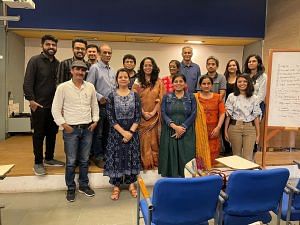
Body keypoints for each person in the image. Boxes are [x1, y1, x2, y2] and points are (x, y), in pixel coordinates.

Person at [51, 60, 99, 202]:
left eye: (82, 70)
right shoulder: (63, 87)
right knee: (71, 161)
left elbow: (94, 106)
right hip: (70, 129)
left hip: (87, 129)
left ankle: (83, 185)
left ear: (85, 72)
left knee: (84, 160)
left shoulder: (90, 87)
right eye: (77, 69)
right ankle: (70, 188)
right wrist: (64, 125)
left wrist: (95, 120)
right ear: (71, 71)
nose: (80, 72)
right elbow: (55, 109)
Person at [23, 34, 64, 176]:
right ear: (42, 46)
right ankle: (38, 162)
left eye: (53, 45)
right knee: (39, 135)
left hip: (54, 107)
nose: (51, 47)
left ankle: (49, 158)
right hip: (39, 106)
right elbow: (28, 82)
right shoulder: (34, 61)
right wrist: (31, 100)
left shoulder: (58, 64)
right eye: (48, 45)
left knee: (52, 133)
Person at [104, 68, 141, 200]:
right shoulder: (111, 95)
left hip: (132, 133)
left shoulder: (135, 95)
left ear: (129, 79)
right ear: (117, 79)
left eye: (126, 77)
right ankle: (116, 186)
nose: (123, 79)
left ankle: (131, 185)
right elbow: (110, 117)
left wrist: (130, 132)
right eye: (121, 77)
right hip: (116, 133)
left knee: (131, 157)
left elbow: (138, 116)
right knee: (116, 158)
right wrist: (123, 133)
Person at [159, 74, 196, 177]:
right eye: (176, 81)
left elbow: (193, 113)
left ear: (185, 84)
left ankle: (187, 182)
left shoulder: (191, 97)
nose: (178, 83)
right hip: (169, 130)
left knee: (187, 155)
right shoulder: (167, 97)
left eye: (181, 81)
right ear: (172, 83)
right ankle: (172, 182)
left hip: (187, 131)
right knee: (170, 156)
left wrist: (182, 127)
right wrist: (175, 127)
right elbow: (163, 112)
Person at [86, 44, 115, 168]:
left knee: (108, 132)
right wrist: (99, 97)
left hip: (111, 106)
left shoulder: (112, 70)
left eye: (109, 53)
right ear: (99, 53)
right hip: (99, 106)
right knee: (98, 133)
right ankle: (97, 156)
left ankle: (105, 154)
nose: (107, 55)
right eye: (105, 52)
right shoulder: (95, 68)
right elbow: (89, 86)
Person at [133, 57, 165, 169]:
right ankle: (145, 163)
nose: (148, 67)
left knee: (154, 141)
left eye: (150, 65)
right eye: (145, 65)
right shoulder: (137, 82)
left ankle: (155, 162)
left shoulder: (159, 82)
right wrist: (143, 113)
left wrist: (153, 112)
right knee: (144, 141)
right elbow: (135, 99)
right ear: (142, 67)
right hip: (141, 117)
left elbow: (161, 98)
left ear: (153, 67)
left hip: (155, 117)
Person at [224, 74, 261, 161]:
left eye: (245, 81)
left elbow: (256, 116)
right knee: (236, 157)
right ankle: (238, 174)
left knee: (248, 157)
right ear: (236, 83)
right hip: (234, 127)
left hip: (250, 128)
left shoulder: (254, 98)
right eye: (239, 81)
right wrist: (225, 130)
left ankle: (247, 174)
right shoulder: (231, 96)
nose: (242, 83)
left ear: (249, 83)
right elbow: (228, 115)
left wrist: (258, 134)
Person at [195, 75, 225, 165]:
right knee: (199, 152)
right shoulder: (195, 97)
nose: (206, 86)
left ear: (212, 85)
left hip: (214, 131)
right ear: (200, 86)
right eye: (204, 84)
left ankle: (212, 177)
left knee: (213, 155)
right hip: (199, 131)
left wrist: (218, 127)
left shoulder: (218, 97)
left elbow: (222, 113)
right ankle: (201, 176)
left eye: (208, 83)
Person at [222, 59, 242, 156]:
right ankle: (227, 149)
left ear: (237, 67)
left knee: (235, 127)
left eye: (234, 65)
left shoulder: (241, 78)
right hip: (226, 105)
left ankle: (236, 149)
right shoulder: (223, 78)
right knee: (224, 127)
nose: (232, 67)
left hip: (239, 107)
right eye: (230, 65)